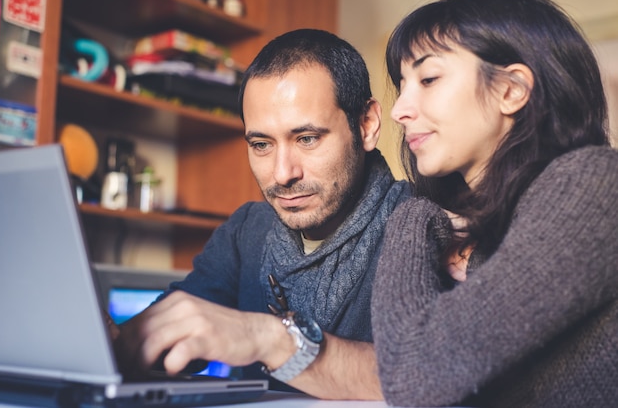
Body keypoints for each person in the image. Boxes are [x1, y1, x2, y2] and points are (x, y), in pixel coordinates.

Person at [113, 28, 409, 399]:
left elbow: (433, 377)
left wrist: (266, 338)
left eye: (306, 139)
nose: (283, 174)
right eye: (261, 144)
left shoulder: (427, 225)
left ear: (366, 125)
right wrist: (111, 341)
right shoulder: (247, 230)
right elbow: (164, 341)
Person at [371, 0, 618, 407]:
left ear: (511, 89)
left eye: (428, 79)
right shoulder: (486, 224)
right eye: (402, 86)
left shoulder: (595, 183)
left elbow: (412, 375)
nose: (400, 110)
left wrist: (413, 218)